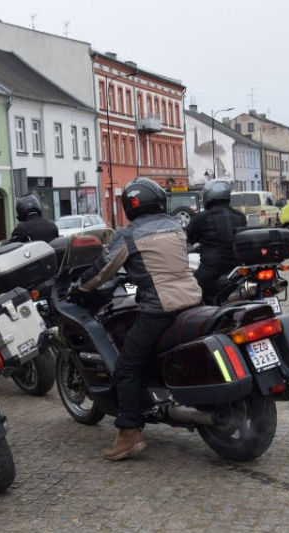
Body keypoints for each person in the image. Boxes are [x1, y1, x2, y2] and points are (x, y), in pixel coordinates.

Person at [77, 178, 202, 461]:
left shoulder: (130, 234)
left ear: (131, 206)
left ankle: (129, 432)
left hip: (161, 307)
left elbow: (103, 271)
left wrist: (80, 287)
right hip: (193, 300)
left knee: (126, 365)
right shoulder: (176, 226)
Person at [186, 180, 247, 304]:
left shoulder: (201, 218)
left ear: (207, 196)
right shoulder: (239, 216)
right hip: (237, 265)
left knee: (190, 292)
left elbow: (188, 238)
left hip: (212, 267)